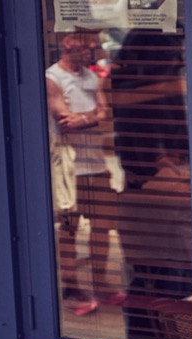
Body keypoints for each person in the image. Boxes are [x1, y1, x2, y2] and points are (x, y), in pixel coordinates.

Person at [46, 31, 123, 316]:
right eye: (87, 43)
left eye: (94, 44)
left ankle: (101, 284)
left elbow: (106, 114)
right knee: (69, 230)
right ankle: (72, 286)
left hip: (97, 165)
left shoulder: (92, 78)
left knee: (102, 227)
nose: (93, 48)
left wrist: (88, 118)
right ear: (68, 43)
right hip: (69, 169)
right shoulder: (52, 77)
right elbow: (65, 120)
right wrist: (94, 116)